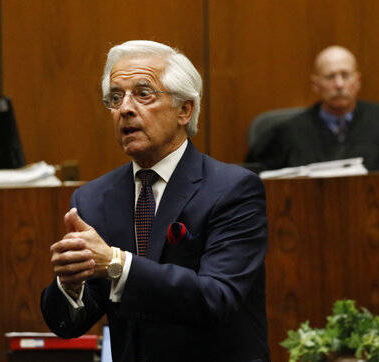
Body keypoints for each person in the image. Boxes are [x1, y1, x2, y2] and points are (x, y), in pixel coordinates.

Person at [40, 40, 270, 362]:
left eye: (143, 93)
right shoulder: (93, 198)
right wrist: (70, 282)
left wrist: (118, 266)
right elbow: (67, 325)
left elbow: (217, 298)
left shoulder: (232, 189)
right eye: (116, 97)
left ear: (184, 110)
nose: (125, 109)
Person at [247, 45, 379, 171]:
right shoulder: (289, 133)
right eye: (330, 77)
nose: (338, 84)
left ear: (357, 81)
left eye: (345, 75)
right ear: (315, 85)